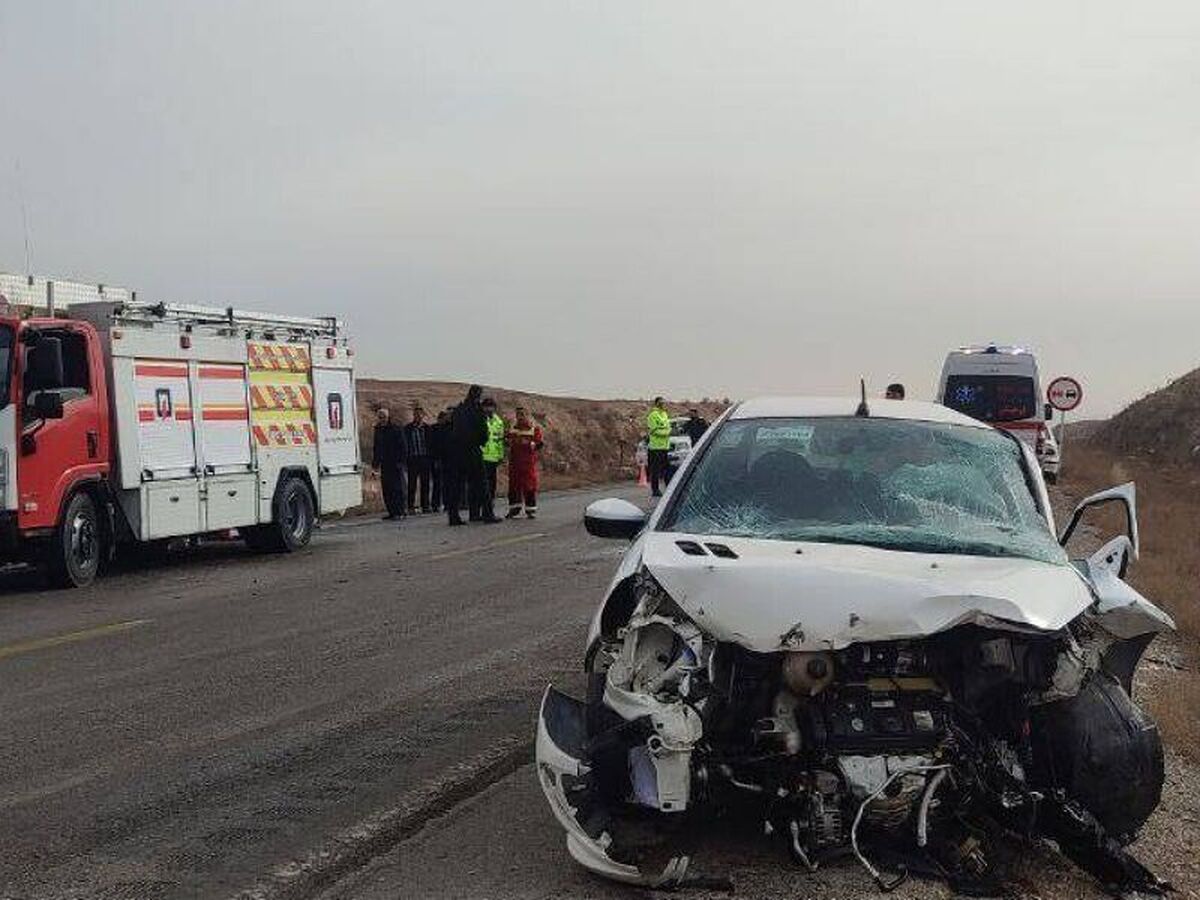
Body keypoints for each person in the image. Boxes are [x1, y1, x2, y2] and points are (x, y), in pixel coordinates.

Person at [446, 385, 496, 526]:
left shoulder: (459, 410)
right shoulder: (477, 411)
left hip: (457, 452)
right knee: (482, 484)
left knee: (457, 485)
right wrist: (480, 442)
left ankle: (453, 516)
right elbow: (483, 433)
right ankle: (487, 514)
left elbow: (451, 430)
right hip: (472, 450)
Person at [506, 406, 544, 518]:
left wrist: (530, 444)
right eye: (518, 414)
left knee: (529, 486)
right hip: (515, 462)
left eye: (522, 414)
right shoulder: (513, 428)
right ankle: (514, 509)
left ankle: (530, 510)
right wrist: (507, 441)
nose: (520, 417)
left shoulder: (533, 428)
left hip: (528, 463)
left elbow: (539, 443)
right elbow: (507, 440)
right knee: (513, 486)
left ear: (527, 415)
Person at [371, 407, 407, 520]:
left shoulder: (396, 429)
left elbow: (403, 446)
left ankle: (400, 511)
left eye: (384, 417)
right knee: (387, 489)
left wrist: (401, 462)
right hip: (384, 463)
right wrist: (375, 465)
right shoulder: (378, 430)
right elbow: (376, 448)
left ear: (388, 417)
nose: (382, 419)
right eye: (380, 417)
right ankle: (391, 511)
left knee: (398, 488)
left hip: (395, 463)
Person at [404, 404, 433, 513]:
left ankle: (425, 505)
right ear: (413, 415)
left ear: (423, 415)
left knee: (425, 483)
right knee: (412, 484)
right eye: (416, 414)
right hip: (413, 459)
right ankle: (410, 506)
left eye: (420, 414)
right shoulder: (407, 429)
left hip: (425, 458)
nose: (418, 416)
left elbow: (432, 444)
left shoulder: (427, 429)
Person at [480, 397, 506, 520]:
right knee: (481, 487)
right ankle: (482, 512)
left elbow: (499, 441)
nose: (489, 409)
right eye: (486, 406)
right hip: (482, 458)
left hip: (493, 459)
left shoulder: (498, 422)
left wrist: (501, 456)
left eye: (491, 406)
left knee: (491, 487)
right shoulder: (479, 419)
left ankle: (489, 511)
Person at [646, 397, 672, 497]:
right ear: (657, 403)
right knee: (655, 471)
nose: (663, 404)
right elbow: (653, 430)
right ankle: (655, 490)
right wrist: (666, 433)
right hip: (655, 447)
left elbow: (668, 427)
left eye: (664, 403)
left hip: (665, 447)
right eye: (661, 403)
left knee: (666, 470)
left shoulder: (665, 414)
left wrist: (667, 431)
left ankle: (669, 489)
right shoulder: (653, 415)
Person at [429, 409, 450, 513]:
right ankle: (435, 504)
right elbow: (431, 445)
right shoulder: (433, 429)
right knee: (437, 482)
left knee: (447, 483)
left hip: (447, 458)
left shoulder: (449, 428)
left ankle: (447, 503)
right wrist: (435, 458)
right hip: (437, 458)